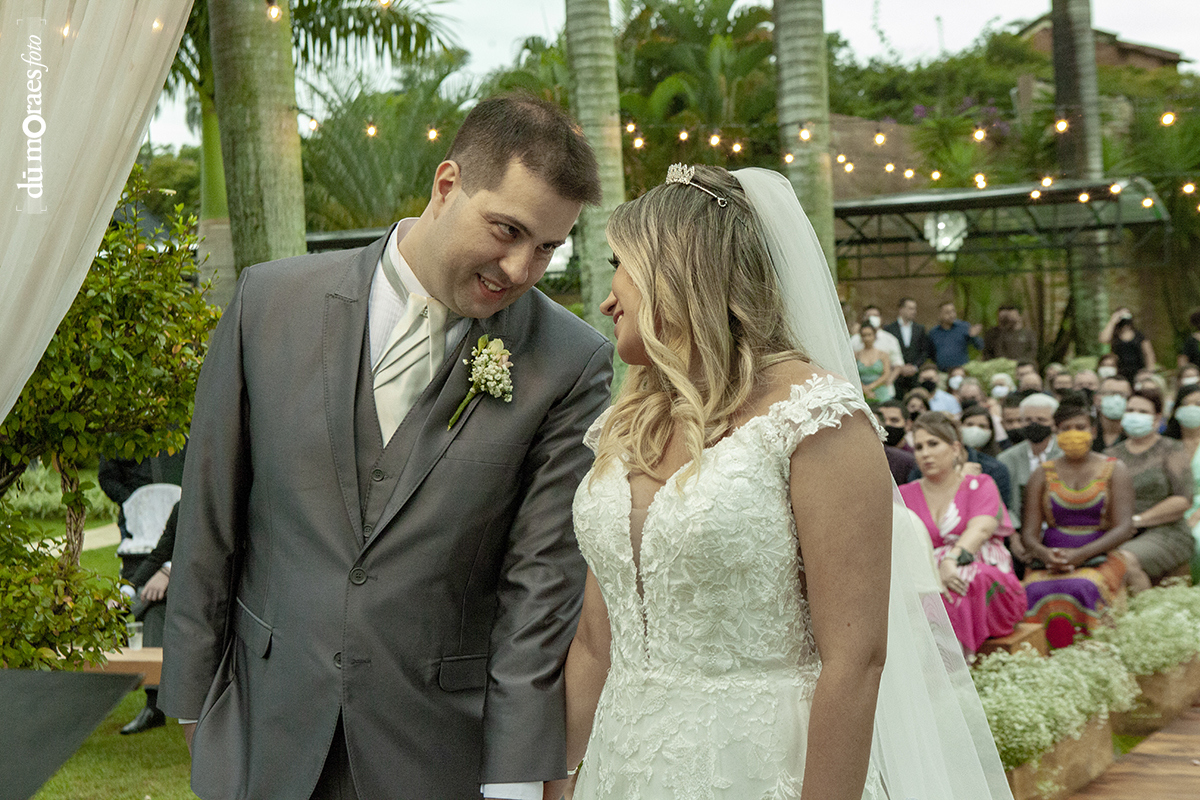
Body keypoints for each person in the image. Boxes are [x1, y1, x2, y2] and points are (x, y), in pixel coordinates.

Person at [161, 96, 615, 800]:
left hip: (439, 752)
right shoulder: (269, 304)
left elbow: (540, 592)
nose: (523, 268)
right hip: (263, 730)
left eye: (549, 247)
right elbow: (209, 524)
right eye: (508, 230)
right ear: (446, 185)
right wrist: (193, 708)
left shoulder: (569, 362)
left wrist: (517, 781)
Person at [564, 166, 1011, 800]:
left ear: (681, 271)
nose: (609, 297)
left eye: (621, 265)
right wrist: (553, 782)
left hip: (763, 767)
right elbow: (592, 641)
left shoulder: (816, 420)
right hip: (622, 766)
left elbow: (855, 663)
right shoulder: (628, 422)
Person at [899, 413, 1027, 654]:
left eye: (933, 444)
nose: (925, 453)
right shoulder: (904, 495)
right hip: (927, 570)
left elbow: (980, 529)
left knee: (963, 579)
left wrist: (951, 560)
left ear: (955, 448)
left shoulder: (979, 484)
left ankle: (956, 663)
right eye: (918, 447)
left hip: (978, 565)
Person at [1020, 398, 1134, 648]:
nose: (1073, 434)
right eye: (1065, 428)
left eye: (1080, 428)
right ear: (1056, 432)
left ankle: (1096, 657)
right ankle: (1040, 661)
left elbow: (1124, 527)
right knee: (1030, 590)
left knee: (1085, 586)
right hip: (1051, 557)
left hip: (1100, 555)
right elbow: (1028, 534)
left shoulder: (1115, 469)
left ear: (1093, 431)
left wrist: (1081, 555)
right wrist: (1046, 555)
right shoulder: (1042, 473)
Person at [97, 445, 186, 734]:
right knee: (155, 610)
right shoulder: (179, 509)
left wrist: (168, 573)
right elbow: (158, 555)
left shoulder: (208, 506)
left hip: (210, 589)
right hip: (177, 585)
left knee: (151, 599)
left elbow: (204, 555)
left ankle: (98, 629)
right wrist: (124, 591)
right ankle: (155, 705)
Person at [1107, 390, 1196, 591]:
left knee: (1124, 560)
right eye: (1130, 410)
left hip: (1167, 531)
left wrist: (1137, 521)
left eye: (1142, 411)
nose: (1135, 415)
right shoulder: (1110, 454)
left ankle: (1144, 615)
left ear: (1156, 418)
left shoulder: (1172, 449)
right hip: (1119, 531)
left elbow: (1183, 500)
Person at [998, 393, 1064, 535]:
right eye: (1028, 420)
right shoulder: (1007, 458)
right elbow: (1001, 503)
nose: (1034, 424)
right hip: (1018, 532)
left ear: (1054, 423)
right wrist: (1014, 536)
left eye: (1041, 419)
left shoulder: (1066, 454)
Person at [1163, 384, 1200, 583]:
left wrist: (1195, 516)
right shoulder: (1166, 445)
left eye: (1198, 404)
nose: (1193, 408)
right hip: (1172, 508)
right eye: (1187, 404)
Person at [885, 297, 932, 397]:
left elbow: (924, 351)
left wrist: (915, 367)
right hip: (896, 374)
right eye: (910, 308)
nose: (914, 312)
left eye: (915, 309)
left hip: (914, 374)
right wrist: (899, 367)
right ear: (901, 309)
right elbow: (887, 351)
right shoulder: (889, 329)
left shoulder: (920, 329)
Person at [1100, 308, 1156, 384]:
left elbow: (1149, 354)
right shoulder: (1115, 335)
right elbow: (1103, 339)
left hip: (1138, 370)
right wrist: (1113, 321)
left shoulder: (1139, 335)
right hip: (1119, 371)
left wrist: (1150, 372)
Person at [928, 301, 984, 372]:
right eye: (947, 312)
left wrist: (973, 336)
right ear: (940, 315)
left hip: (961, 371)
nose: (951, 315)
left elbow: (980, 346)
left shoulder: (963, 327)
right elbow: (930, 353)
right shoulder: (933, 332)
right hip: (942, 372)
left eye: (953, 311)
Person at [874, 401, 918, 484]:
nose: (887, 424)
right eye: (883, 421)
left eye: (894, 420)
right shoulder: (873, 456)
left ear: (908, 425)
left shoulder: (915, 458)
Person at [855, 322, 894, 403]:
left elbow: (886, 375)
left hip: (881, 392)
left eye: (869, 335)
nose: (867, 338)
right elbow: (853, 375)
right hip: (862, 393)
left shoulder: (883, 354)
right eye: (864, 335)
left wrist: (870, 387)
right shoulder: (856, 355)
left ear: (874, 336)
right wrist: (864, 389)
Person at [1094, 374, 1132, 451]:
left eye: (1122, 395)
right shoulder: (1089, 432)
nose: (1117, 399)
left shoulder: (1135, 435)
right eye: (1111, 393)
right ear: (1097, 399)